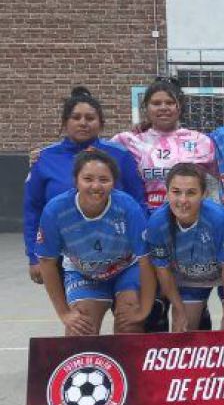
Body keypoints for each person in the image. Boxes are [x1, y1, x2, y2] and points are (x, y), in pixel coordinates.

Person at [112, 77, 218, 331]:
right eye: (156, 103)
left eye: (169, 102)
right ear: (146, 108)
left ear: (179, 106)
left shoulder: (200, 141)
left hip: (190, 230)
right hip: (148, 229)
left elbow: (214, 185)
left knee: (191, 305)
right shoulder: (127, 141)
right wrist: (43, 152)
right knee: (155, 304)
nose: (163, 108)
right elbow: (89, 154)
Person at [24, 87, 146, 285]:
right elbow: (33, 209)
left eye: (90, 118)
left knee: (129, 312)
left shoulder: (121, 155)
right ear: (65, 122)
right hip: (67, 255)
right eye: (76, 117)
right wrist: (34, 255)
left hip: (119, 254)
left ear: (100, 123)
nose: (83, 122)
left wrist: (142, 250)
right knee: (78, 314)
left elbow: (139, 203)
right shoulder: (45, 158)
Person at [34, 150, 155, 335]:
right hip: (83, 273)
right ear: (76, 180)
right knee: (79, 330)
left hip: (126, 269)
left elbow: (145, 259)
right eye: (88, 179)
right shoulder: (55, 211)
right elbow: (47, 262)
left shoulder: (128, 207)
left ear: (114, 183)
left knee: (130, 324)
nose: (96, 186)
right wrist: (64, 313)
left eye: (104, 180)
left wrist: (145, 309)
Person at [144, 163, 224, 339]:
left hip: (223, 276)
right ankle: (201, 312)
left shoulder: (220, 218)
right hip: (188, 279)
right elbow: (163, 272)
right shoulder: (156, 223)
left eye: (191, 192)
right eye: (176, 192)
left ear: (203, 194)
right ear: (166, 192)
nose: (183, 200)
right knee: (183, 332)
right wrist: (179, 310)